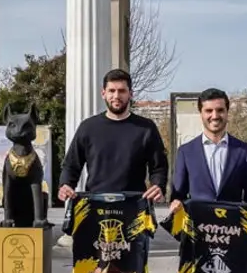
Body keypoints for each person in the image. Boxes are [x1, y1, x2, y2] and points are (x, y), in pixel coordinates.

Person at [57, 68, 170, 202]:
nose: (116, 96)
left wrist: (158, 186)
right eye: (111, 91)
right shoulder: (88, 127)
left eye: (122, 91)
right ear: (103, 93)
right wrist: (65, 185)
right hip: (94, 206)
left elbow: (159, 167)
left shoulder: (146, 128)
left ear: (130, 94)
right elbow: (71, 165)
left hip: (135, 207)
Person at [168, 88, 247, 216]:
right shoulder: (186, 152)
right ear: (201, 113)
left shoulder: (243, 151)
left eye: (220, 110)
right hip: (196, 228)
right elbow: (178, 195)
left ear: (227, 112)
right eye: (209, 111)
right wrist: (175, 203)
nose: (215, 116)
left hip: (232, 228)